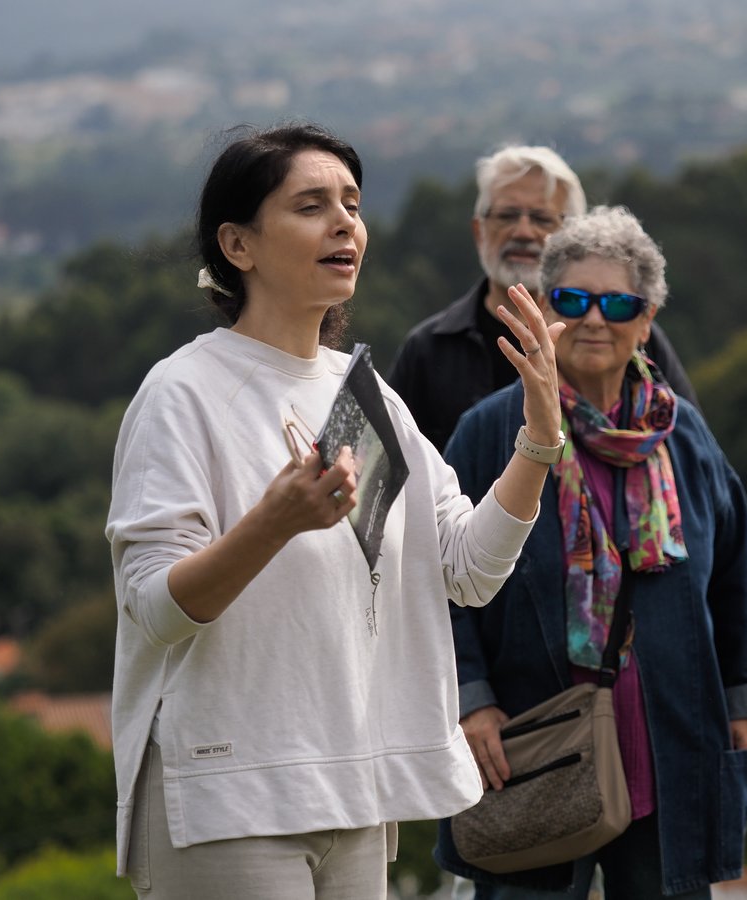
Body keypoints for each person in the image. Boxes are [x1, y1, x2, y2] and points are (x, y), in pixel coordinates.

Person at [105, 122, 568, 900]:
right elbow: (156, 608)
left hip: (354, 784)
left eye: (352, 204)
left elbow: (467, 568)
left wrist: (539, 436)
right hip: (229, 793)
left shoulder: (360, 396)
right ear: (238, 245)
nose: (345, 222)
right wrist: (274, 522)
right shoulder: (184, 391)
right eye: (311, 205)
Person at [435, 206, 747, 899]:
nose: (596, 320)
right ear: (542, 309)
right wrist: (469, 702)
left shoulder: (685, 437)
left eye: (619, 303)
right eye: (572, 300)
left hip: (667, 751)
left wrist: (744, 709)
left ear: (647, 319)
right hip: (531, 752)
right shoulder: (490, 432)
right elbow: (438, 577)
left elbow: (734, 576)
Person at [388, 145, 697, 453]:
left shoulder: (628, 336)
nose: (523, 232)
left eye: (542, 218)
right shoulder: (429, 350)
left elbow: (687, 446)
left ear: (575, 237)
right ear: (479, 230)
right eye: (507, 216)